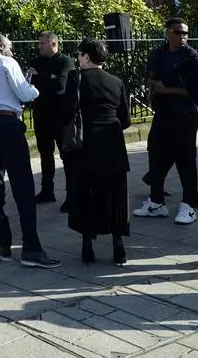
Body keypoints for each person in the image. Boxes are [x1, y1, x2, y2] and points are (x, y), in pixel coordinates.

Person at [0, 33, 60, 268]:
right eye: (9, 46)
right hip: (8, 124)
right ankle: (31, 247)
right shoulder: (7, 63)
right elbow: (25, 94)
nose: (11, 50)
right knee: (22, 185)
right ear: (0, 45)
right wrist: (34, 88)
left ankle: (4, 245)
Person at [133, 18, 198, 224]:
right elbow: (150, 75)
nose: (183, 36)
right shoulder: (158, 53)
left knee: (186, 159)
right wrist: (152, 83)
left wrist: (167, 89)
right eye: (178, 32)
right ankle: (156, 202)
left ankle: (188, 206)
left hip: (184, 113)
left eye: (186, 33)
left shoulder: (193, 58)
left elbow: (197, 92)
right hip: (163, 112)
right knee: (156, 154)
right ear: (168, 32)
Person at [63, 39, 132, 265]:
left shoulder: (76, 79)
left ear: (86, 57)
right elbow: (126, 120)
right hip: (112, 144)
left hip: (86, 146)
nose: (78, 58)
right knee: (115, 194)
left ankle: (87, 246)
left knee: (86, 194)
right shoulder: (116, 81)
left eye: (80, 55)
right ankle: (118, 245)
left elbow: (67, 113)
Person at [28, 32, 76, 209]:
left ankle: (72, 195)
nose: (39, 46)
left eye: (42, 44)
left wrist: (41, 78)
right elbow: (29, 82)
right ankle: (47, 190)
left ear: (53, 44)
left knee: (67, 157)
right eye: (39, 43)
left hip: (60, 116)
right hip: (42, 114)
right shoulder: (36, 62)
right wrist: (48, 77)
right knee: (45, 155)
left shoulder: (65, 61)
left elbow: (60, 85)